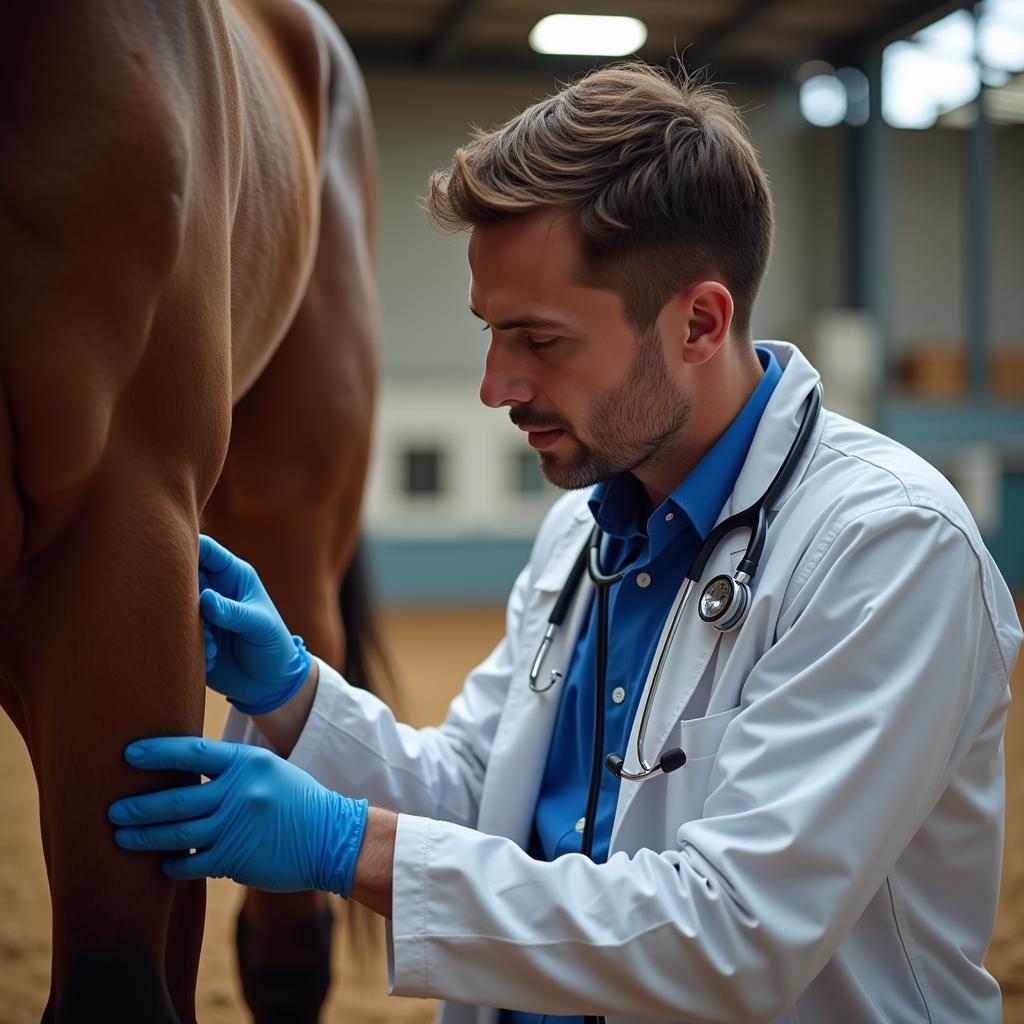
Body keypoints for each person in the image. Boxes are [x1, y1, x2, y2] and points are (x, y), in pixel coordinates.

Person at [109, 63, 1022, 1023]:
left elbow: (734, 936)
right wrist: (291, 694)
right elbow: (476, 794)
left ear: (700, 323)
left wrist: (348, 847)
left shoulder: (886, 549)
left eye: (539, 341)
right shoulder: (581, 533)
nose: (494, 385)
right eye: (491, 333)